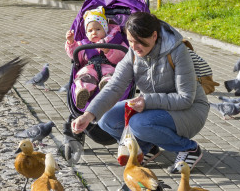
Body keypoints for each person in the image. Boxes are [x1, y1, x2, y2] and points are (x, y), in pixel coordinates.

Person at [71, 12, 209, 174]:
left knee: (139, 124)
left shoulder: (178, 52)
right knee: (105, 118)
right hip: (156, 107)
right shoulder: (134, 53)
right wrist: (88, 115)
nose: (134, 48)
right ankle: (146, 147)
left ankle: (188, 149)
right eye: (130, 41)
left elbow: (185, 98)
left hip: (189, 111)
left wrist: (147, 101)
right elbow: (114, 87)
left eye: (139, 42)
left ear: (154, 36)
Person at [65, 7, 125, 109]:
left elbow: (123, 56)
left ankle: (107, 87)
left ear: (105, 30)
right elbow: (75, 56)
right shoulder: (83, 44)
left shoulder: (114, 41)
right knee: (84, 77)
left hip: (109, 67)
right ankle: (83, 92)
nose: (94, 32)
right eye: (90, 30)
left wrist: (108, 50)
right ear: (87, 34)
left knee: (113, 76)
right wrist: (71, 42)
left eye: (98, 29)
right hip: (90, 68)